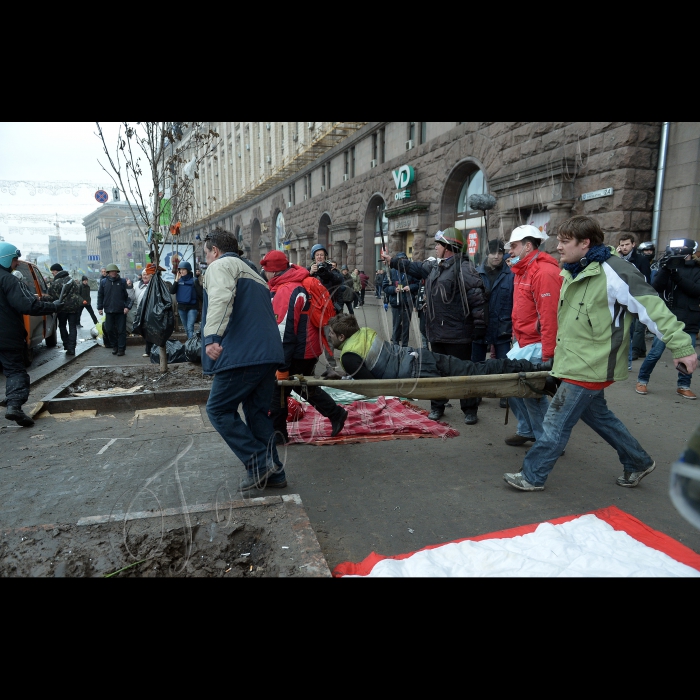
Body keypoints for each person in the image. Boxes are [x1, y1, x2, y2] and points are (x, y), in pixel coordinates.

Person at [503, 215, 698, 492]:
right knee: (599, 417)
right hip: (572, 361)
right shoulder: (572, 269)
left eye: (564, 241)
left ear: (585, 243)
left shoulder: (615, 271)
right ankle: (637, 460)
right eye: (558, 240)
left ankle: (532, 476)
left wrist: (681, 346)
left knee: (555, 420)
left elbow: (651, 307)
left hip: (591, 364)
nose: (558, 246)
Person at [201, 229, 287, 492]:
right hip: (266, 354)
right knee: (257, 413)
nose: (206, 260)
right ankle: (274, 473)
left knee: (218, 409)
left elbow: (221, 299)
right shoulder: (254, 273)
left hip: (243, 355)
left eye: (206, 254)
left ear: (214, 250)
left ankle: (259, 463)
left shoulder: (221, 266)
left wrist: (211, 336)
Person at [382, 227, 487, 425]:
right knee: (437, 373)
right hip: (437, 333)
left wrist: (480, 326)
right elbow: (414, 267)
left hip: (458, 334)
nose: (435, 248)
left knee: (463, 373)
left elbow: (478, 300)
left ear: (448, 247)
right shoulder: (435, 267)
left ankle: (469, 409)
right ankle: (437, 407)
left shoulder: (465, 268)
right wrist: (393, 261)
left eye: (438, 244)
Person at [260, 250, 348, 444]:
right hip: (307, 348)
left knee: (279, 391)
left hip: (297, 351)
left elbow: (285, 333)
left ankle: (279, 434)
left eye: (265, 269)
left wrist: (282, 366)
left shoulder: (286, 289)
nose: (264, 273)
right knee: (303, 388)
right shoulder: (294, 282)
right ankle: (336, 414)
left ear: (273, 271)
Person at [327, 313, 551, 381]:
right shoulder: (364, 332)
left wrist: (343, 377)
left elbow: (370, 385)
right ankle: (532, 365)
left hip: (418, 369)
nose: (329, 338)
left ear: (342, 335)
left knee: (476, 371)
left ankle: (533, 367)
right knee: (476, 368)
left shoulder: (349, 356)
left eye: (331, 334)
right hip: (420, 357)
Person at [503, 225, 561, 445]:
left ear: (528, 246)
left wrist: (548, 354)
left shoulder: (543, 272)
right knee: (512, 386)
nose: (510, 251)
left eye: (514, 246)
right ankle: (529, 430)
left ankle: (546, 441)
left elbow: (549, 317)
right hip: (526, 341)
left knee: (532, 394)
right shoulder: (524, 269)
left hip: (536, 343)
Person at [0, 242, 64, 427]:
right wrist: (53, 306)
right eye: (14, 260)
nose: (17, 264)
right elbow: (27, 305)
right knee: (14, 371)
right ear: (5, 259)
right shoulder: (8, 280)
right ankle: (14, 407)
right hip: (7, 336)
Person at [635, 239, 700, 399]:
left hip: (689, 319)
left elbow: (695, 290)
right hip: (669, 319)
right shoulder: (669, 267)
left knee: (687, 354)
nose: (679, 252)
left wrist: (676, 276)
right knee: (655, 353)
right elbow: (655, 287)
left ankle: (683, 385)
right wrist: (665, 268)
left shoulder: (697, 269)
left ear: (691, 251)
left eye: (683, 248)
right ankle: (642, 380)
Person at [474, 239, 513, 408]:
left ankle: (505, 394)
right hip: (480, 325)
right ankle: (476, 393)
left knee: (504, 363)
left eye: (499, 252)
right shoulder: (476, 273)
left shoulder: (511, 274)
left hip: (502, 325)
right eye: (492, 252)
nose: (496, 256)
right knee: (477, 364)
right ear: (486, 253)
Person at [308, 243, 345, 376]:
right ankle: (310, 368)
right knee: (312, 339)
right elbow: (302, 284)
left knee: (328, 340)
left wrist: (328, 273)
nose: (319, 257)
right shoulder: (309, 270)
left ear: (325, 256)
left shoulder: (331, 269)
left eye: (322, 255)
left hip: (327, 312)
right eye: (317, 255)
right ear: (313, 257)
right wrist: (310, 273)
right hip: (313, 311)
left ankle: (331, 368)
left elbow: (339, 282)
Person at [617, 233, 652, 363]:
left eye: (627, 244)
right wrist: (617, 256)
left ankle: (636, 350)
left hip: (639, 294)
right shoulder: (617, 259)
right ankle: (641, 349)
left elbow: (646, 278)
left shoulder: (641, 259)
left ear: (633, 244)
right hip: (624, 296)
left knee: (638, 326)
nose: (624, 247)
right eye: (622, 245)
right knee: (630, 326)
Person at [45, 264, 82, 356]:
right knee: (72, 327)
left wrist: (40, 299)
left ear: (56, 271)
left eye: (53, 271)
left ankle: (66, 344)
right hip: (73, 308)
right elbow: (78, 293)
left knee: (62, 326)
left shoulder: (56, 282)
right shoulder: (72, 281)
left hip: (61, 308)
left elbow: (51, 297)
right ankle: (72, 348)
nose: (52, 273)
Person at [384, 252, 420, 347]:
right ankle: (395, 346)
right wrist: (393, 289)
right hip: (396, 303)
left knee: (406, 327)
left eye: (404, 260)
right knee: (396, 326)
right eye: (400, 261)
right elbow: (385, 286)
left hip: (408, 303)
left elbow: (418, 284)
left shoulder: (411, 272)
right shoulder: (391, 272)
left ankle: (404, 347)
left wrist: (410, 287)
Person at [97, 263, 132, 356]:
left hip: (121, 310)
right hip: (109, 310)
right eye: (111, 271)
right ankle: (114, 345)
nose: (113, 273)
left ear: (117, 272)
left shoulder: (123, 282)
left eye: (115, 271)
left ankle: (121, 348)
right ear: (108, 273)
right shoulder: (103, 282)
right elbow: (100, 295)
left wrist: (127, 307)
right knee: (109, 329)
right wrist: (99, 308)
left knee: (121, 330)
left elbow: (129, 297)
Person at [171, 261, 201, 339]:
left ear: (188, 270)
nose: (181, 271)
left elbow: (200, 294)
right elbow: (172, 291)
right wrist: (176, 280)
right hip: (181, 307)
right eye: (180, 270)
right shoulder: (178, 280)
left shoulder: (194, 280)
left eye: (184, 269)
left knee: (190, 327)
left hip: (192, 307)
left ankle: (191, 348)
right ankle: (190, 345)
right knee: (186, 328)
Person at [135, 269, 153, 357]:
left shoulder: (154, 285)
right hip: (141, 312)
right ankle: (148, 350)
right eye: (143, 274)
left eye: (147, 274)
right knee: (145, 331)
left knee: (151, 331)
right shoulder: (136, 285)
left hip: (151, 312)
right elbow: (132, 297)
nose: (145, 276)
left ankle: (150, 350)